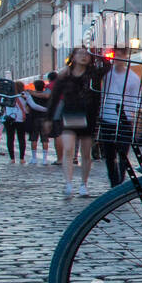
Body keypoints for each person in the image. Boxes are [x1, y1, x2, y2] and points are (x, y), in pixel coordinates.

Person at [47, 47, 100, 197]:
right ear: (73, 57)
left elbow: (107, 67)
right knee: (69, 149)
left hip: (89, 115)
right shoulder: (65, 76)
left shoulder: (93, 74)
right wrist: (49, 118)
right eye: (80, 54)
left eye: (86, 54)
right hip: (71, 113)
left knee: (86, 153)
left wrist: (97, 54)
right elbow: (55, 97)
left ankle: (84, 184)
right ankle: (68, 183)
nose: (83, 57)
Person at [97, 45, 142, 187]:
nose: (117, 59)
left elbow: (137, 100)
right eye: (115, 55)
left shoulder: (133, 78)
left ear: (125, 57)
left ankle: (121, 181)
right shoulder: (106, 75)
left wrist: (136, 121)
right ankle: (114, 182)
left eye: (120, 55)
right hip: (107, 117)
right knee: (109, 154)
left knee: (123, 153)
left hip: (125, 119)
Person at [23, 79, 50, 164]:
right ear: (43, 86)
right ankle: (44, 159)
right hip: (45, 118)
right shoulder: (46, 95)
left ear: (35, 86)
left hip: (34, 118)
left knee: (34, 138)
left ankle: (34, 158)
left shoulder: (31, 95)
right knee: (45, 139)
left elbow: (27, 108)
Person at [2, 81, 29, 164]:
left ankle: (12, 158)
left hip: (9, 117)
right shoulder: (24, 95)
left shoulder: (8, 96)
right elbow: (28, 104)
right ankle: (21, 158)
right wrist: (24, 112)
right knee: (21, 138)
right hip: (20, 117)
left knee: (10, 138)